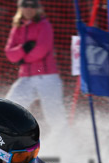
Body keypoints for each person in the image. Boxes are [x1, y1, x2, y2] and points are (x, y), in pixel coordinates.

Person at [4, 0, 67, 136]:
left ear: (38, 8)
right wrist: (23, 48)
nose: (29, 8)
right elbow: (9, 53)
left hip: (47, 77)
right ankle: (7, 138)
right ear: (20, 7)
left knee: (54, 113)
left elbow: (41, 50)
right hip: (26, 78)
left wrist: (22, 58)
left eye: (32, 5)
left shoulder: (44, 25)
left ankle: (66, 140)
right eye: (25, 5)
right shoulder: (17, 27)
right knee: (9, 106)